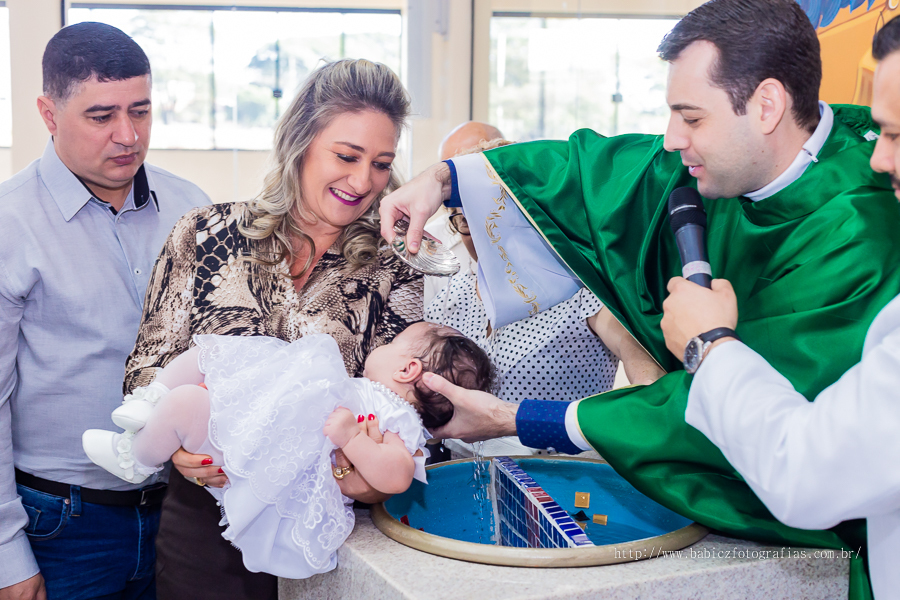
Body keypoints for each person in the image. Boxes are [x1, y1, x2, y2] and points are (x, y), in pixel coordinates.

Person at [379, 1, 900, 597]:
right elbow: (596, 171)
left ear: (767, 106)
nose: (673, 140)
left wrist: (516, 417)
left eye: (691, 118)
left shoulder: (857, 233)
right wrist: (446, 180)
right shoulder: (733, 159)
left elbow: (741, 427)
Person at [124, 59, 422, 600]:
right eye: (346, 156)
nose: (363, 181)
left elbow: (397, 397)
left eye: (382, 163)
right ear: (300, 141)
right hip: (204, 524)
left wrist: (353, 466)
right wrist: (173, 448)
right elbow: (148, 365)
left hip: (320, 529)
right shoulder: (206, 233)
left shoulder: (393, 267)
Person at [658, 17, 900, 599]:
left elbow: (808, 472)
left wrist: (708, 345)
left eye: (893, 134)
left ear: (768, 105)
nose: (876, 158)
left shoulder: (856, 229)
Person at [0, 23, 209, 600]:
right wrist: (6, 556)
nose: (127, 135)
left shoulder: (192, 208)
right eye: (101, 116)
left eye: (140, 111)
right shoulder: (9, 226)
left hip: (181, 514)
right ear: (48, 113)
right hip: (60, 526)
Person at [84, 322, 494, 578]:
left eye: (393, 342)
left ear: (407, 370)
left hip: (278, 468)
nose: (381, 345)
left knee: (188, 404)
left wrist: (351, 438)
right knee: (217, 353)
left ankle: (135, 458)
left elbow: (397, 475)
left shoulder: (398, 419)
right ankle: (150, 399)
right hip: (269, 439)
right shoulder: (369, 394)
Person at [427, 136, 664, 457]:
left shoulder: (580, 289)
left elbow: (642, 366)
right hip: (465, 474)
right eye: (466, 221)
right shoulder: (452, 298)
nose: (485, 236)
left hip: (561, 476)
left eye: (493, 218)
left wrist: (644, 409)